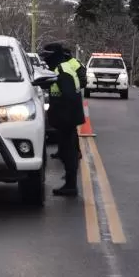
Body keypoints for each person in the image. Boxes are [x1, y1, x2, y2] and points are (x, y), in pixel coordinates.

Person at [39, 42, 86, 196]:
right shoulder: (61, 68)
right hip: (66, 119)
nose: (45, 61)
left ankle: (71, 185)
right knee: (68, 150)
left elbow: (69, 95)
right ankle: (70, 181)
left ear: (54, 57)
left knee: (68, 151)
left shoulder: (62, 71)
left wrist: (63, 117)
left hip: (67, 119)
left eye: (47, 57)